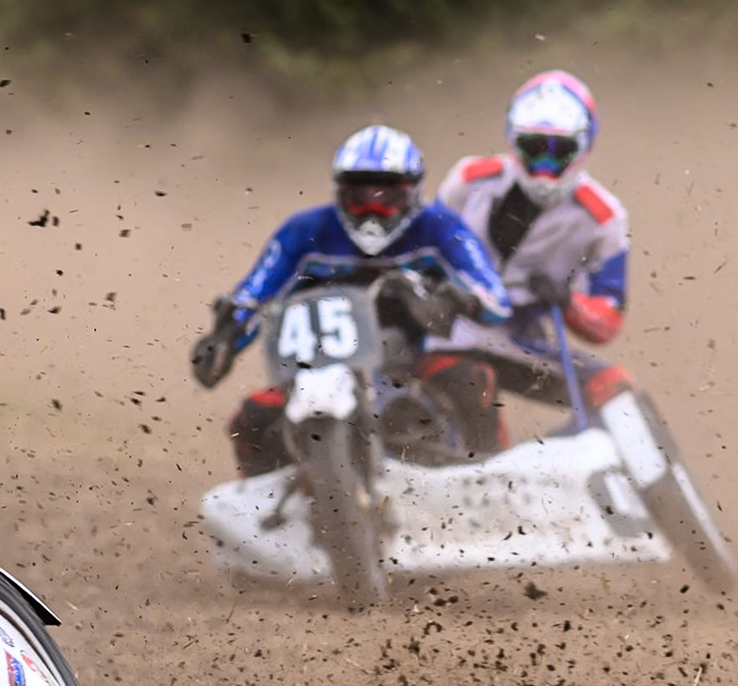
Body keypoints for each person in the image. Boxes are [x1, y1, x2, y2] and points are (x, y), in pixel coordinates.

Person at [189, 125, 512, 474]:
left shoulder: (439, 228)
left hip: (409, 364)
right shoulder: (304, 231)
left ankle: (498, 483)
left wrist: (458, 299)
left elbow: (495, 297)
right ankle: (262, 506)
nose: (372, 211)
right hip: (313, 366)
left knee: (472, 381)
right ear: (338, 193)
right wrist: (224, 336)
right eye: (359, 198)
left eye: (386, 199)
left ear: (413, 194)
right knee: (250, 419)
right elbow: (254, 293)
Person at [424, 70, 632, 453]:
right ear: (512, 141)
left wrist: (570, 303)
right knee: (474, 381)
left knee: (616, 391)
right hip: (450, 331)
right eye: (534, 148)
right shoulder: (469, 180)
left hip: (517, 340)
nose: (545, 166)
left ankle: (641, 490)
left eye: (560, 152)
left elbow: (609, 317)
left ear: (585, 147)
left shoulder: (603, 217)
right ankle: (489, 482)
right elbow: (423, 253)